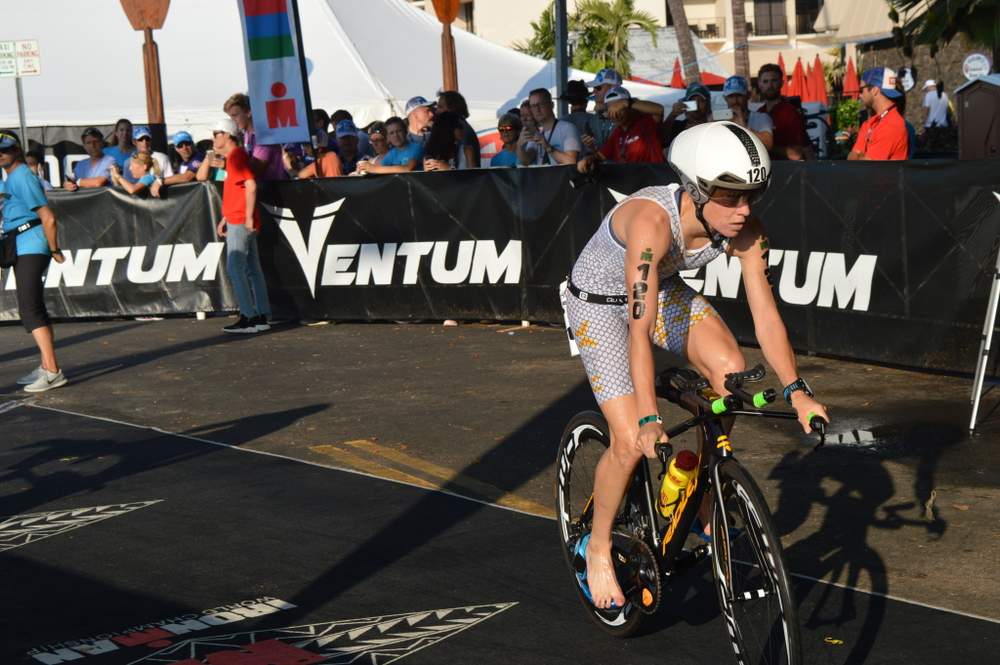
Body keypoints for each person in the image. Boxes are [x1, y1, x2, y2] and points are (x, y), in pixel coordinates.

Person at [563, 121, 829, 609]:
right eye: (729, 197)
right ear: (695, 189)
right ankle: (597, 545)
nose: (743, 210)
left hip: (657, 292)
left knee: (730, 368)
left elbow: (766, 315)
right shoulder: (651, 224)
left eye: (751, 195)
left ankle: (699, 492)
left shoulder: (747, 230)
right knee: (627, 440)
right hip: (599, 305)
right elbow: (638, 332)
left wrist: (797, 390)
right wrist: (646, 417)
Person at [0, 131, 68, 393]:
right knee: (32, 307)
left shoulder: (22, 176)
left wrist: (54, 249)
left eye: (5, 149)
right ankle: (45, 366)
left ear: (17, 150)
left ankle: (52, 372)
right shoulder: (10, 179)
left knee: (30, 308)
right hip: (21, 243)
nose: (1, 154)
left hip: (32, 244)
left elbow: (48, 217)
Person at [212, 117, 271, 334]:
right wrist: (226, 217)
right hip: (238, 217)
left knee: (235, 268)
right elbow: (238, 189)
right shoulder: (234, 157)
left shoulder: (236, 156)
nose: (213, 138)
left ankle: (249, 316)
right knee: (252, 268)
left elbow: (251, 185)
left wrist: (245, 217)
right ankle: (262, 315)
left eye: (215, 133)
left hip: (241, 219)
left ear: (226, 135)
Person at [577, 87, 663, 171]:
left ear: (629, 107)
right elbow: (601, 156)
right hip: (630, 181)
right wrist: (589, 155)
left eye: (618, 109)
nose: (615, 115)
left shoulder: (646, 122)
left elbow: (659, 109)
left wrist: (626, 103)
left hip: (651, 179)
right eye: (611, 110)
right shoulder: (618, 132)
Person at [848, 67, 908, 161]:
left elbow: (869, 167)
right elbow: (851, 158)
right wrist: (860, 157)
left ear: (875, 90)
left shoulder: (891, 124)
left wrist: (860, 156)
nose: (859, 95)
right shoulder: (870, 123)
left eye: (861, 90)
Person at [224, 93, 287, 180]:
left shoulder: (264, 136)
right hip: (259, 189)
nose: (232, 121)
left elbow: (255, 171)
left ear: (249, 112)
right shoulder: (246, 134)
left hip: (273, 190)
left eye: (235, 115)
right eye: (230, 117)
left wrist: (226, 163)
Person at [756, 63, 811, 160]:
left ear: (781, 83)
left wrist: (764, 145)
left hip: (787, 171)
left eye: (774, 81)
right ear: (759, 84)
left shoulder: (790, 112)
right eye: (765, 81)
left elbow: (797, 154)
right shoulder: (759, 113)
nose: (770, 85)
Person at [517, 88, 582, 166]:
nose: (537, 109)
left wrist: (548, 147)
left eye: (540, 104)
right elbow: (526, 161)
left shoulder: (568, 128)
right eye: (533, 106)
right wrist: (519, 145)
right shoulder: (537, 133)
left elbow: (571, 161)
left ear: (552, 105)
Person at [722, 75, 774, 151]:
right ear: (725, 98)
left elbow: (768, 145)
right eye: (731, 96)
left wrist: (744, 127)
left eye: (739, 96)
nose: (735, 100)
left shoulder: (761, 117)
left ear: (748, 95)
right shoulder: (719, 120)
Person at [357, 116, 422, 174]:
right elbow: (381, 169)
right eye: (391, 133)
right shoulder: (392, 153)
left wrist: (373, 168)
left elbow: (407, 168)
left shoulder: (416, 147)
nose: (396, 135)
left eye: (399, 131)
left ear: (406, 131)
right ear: (388, 137)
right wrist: (364, 169)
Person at [437, 90, 481, 168]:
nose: (437, 111)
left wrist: (447, 168)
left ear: (452, 109)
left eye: (440, 107)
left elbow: (471, 171)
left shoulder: (462, 130)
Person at [663, 82, 712, 148]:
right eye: (692, 101)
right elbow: (661, 140)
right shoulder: (676, 126)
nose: (696, 105)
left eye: (701, 101)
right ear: (685, 103)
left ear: (708, 104)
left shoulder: (715, 126)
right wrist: (672, 115)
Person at [562, 79, 602, 156]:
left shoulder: (561, 122)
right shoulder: (597, 120)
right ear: (586, 101)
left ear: (569, 101)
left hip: (568, 164)